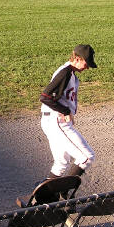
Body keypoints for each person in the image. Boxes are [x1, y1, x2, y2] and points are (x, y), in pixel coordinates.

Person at [40, 44, 97, 179]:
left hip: (53, 121)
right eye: (86, 63)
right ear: (77, 58)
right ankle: (65, 190)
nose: (87, 67)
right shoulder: (65, 72)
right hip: (56, 122)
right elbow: (45, 97)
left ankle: (47, 195)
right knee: (86, 157)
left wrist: (67, 112)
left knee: (61, 163)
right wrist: (65, 111)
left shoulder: (69, 72)